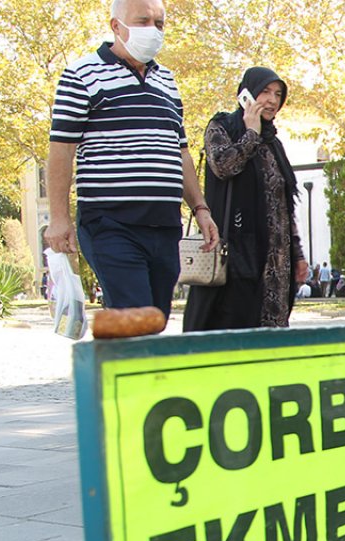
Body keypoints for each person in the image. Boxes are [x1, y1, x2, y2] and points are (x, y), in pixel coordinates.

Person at [45, 0, 219, 320]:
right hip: (111, 224)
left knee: (155, 319)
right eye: (143, 21)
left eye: (159, 23)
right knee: (138, 318)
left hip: (165, 225)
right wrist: (59, 218)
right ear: (116, 26)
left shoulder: (167, 81)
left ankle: (117, 351)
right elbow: (61, 150)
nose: (153, 30)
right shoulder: (81, 75)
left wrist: (201, 208)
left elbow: (181, 152)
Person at [182, 67, 308, 331]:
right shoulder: (223, 127)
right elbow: (223, 166)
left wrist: (297, 254)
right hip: (238, 251)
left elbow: (284, 205)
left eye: (278, 94)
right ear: (246, 94)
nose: (272, 100)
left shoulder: (273, 143)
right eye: (265, 91)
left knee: (271, 334)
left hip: (275, 259)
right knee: (233, 326)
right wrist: (251, 134)